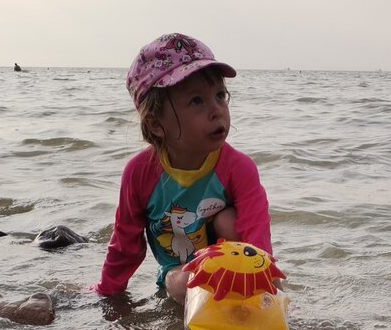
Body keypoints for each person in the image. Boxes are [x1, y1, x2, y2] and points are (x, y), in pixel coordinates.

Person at [94, 33, 271, 303]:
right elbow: (126, 244)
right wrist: (107, 295)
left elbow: (257, 236)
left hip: (234, 264)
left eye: (220, 95)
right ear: (156, 123)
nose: (217, 110)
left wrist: (270, 293)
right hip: (181, 270)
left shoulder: (239, 167)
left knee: (228, 221)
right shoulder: (139, 173)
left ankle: (245, 294)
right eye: (197, 101)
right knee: (180, 283)